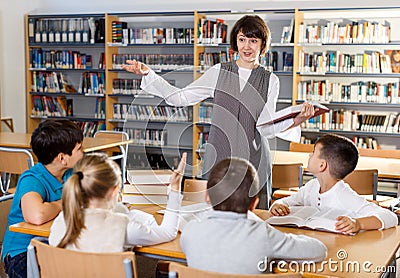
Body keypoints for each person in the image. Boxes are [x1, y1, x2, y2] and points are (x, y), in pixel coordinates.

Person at [122, 15, 315, 209]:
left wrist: (297, 120)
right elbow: (180, 98)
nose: (246, 47)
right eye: (242, 40)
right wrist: (149, 74)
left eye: (253, 41)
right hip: (220, 155)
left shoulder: (270, 80)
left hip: (254, 159)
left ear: (262, 44)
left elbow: (266, 126)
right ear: (235, 42)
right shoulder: (218, 72)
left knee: (255, 216)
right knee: (214, 211)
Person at [180, 157, 327, 274]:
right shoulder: (263, 235)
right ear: (254, 203)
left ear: (206, 196)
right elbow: (319, 250)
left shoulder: (190, 232)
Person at [49, 152, 187, 251]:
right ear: (114, 191)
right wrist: (175, 187)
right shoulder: (124, 227)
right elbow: (168, 232)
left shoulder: (62, 220)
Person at [2, 119, 84, 278]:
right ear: (62, 158)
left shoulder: (69, 173)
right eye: (79, 149)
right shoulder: (32, 179)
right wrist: (65, 203)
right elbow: (37, 216)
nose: (84, 152)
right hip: (23, 253)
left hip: (54, 244)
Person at [270, 134, 398, 234]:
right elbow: (287, 201)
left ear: (322, 165)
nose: (310, 154)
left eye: (313, 152)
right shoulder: (312, 186)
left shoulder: (344, 195)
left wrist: (358, 223)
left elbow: (390, 217)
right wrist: (278, 205)